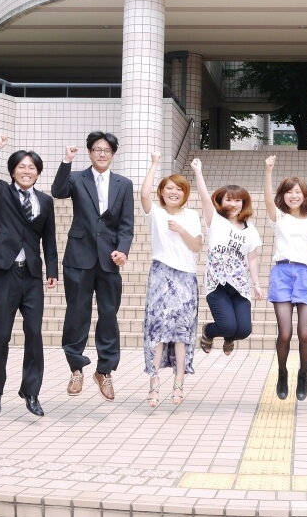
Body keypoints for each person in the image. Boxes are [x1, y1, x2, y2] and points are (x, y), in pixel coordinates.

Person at [0, 134, 58, 417]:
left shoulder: (45, 201)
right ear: (12, 171)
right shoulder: (1, 192)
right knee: (2, 334)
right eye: (22, 167)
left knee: (34, 334)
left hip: (32, 276)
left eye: (32, 167)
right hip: (5, 273)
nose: (27, 171)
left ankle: (31, 392)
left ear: (38, 172)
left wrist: (52, 270)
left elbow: (49, 238)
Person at [51, 131, 134, 402]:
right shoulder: (77, 178)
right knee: (77, 313)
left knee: (109, 315)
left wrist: (123, 250)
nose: (102, 154)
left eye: (107, 150)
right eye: (97, 149)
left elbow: (126, 225)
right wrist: (66, 161)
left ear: (113, 154)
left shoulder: (124, 184)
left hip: (109, 259)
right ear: (89, 152)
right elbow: (58, 191)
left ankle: (105, 371)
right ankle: (76, 369)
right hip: (79, 257)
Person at [263, 156, 307, 401]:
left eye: (298, 192)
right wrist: (268, 171)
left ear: (304, 195)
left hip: (306, 275)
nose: (294, 196)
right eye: (289, 192)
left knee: (305, 334)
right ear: (282, 196)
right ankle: (282, 373)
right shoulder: (279, 217)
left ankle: (303, 374)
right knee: (285, 334)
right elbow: (266, 198)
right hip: (282, 273)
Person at [139, 153, 202, 407]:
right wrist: (154, 164)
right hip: (161, 275)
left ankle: (178, 385)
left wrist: (181, 229)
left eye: (179, 189)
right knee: (158, 331)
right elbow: (144, 195)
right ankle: (154, 385)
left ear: (185, 193)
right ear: (162, 192)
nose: (174, 192)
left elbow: (196, 246)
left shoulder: (192, 215)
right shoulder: (155, 213)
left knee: (181, 334)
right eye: (169, 188)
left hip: (186, 277)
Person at [190, 158, 263, 356]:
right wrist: (198, 172)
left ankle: (229, 337)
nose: (233, 204)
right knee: (227, 326)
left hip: (240, 285)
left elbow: (252, 258)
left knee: (244, 330)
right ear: (221, 201)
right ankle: (208, 331)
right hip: (217, 284)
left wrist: (256, 284)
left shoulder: (250, 229)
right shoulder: (215, 220)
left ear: (244, 203)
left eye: (238, 200)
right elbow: (204, 197)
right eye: (228, 199)